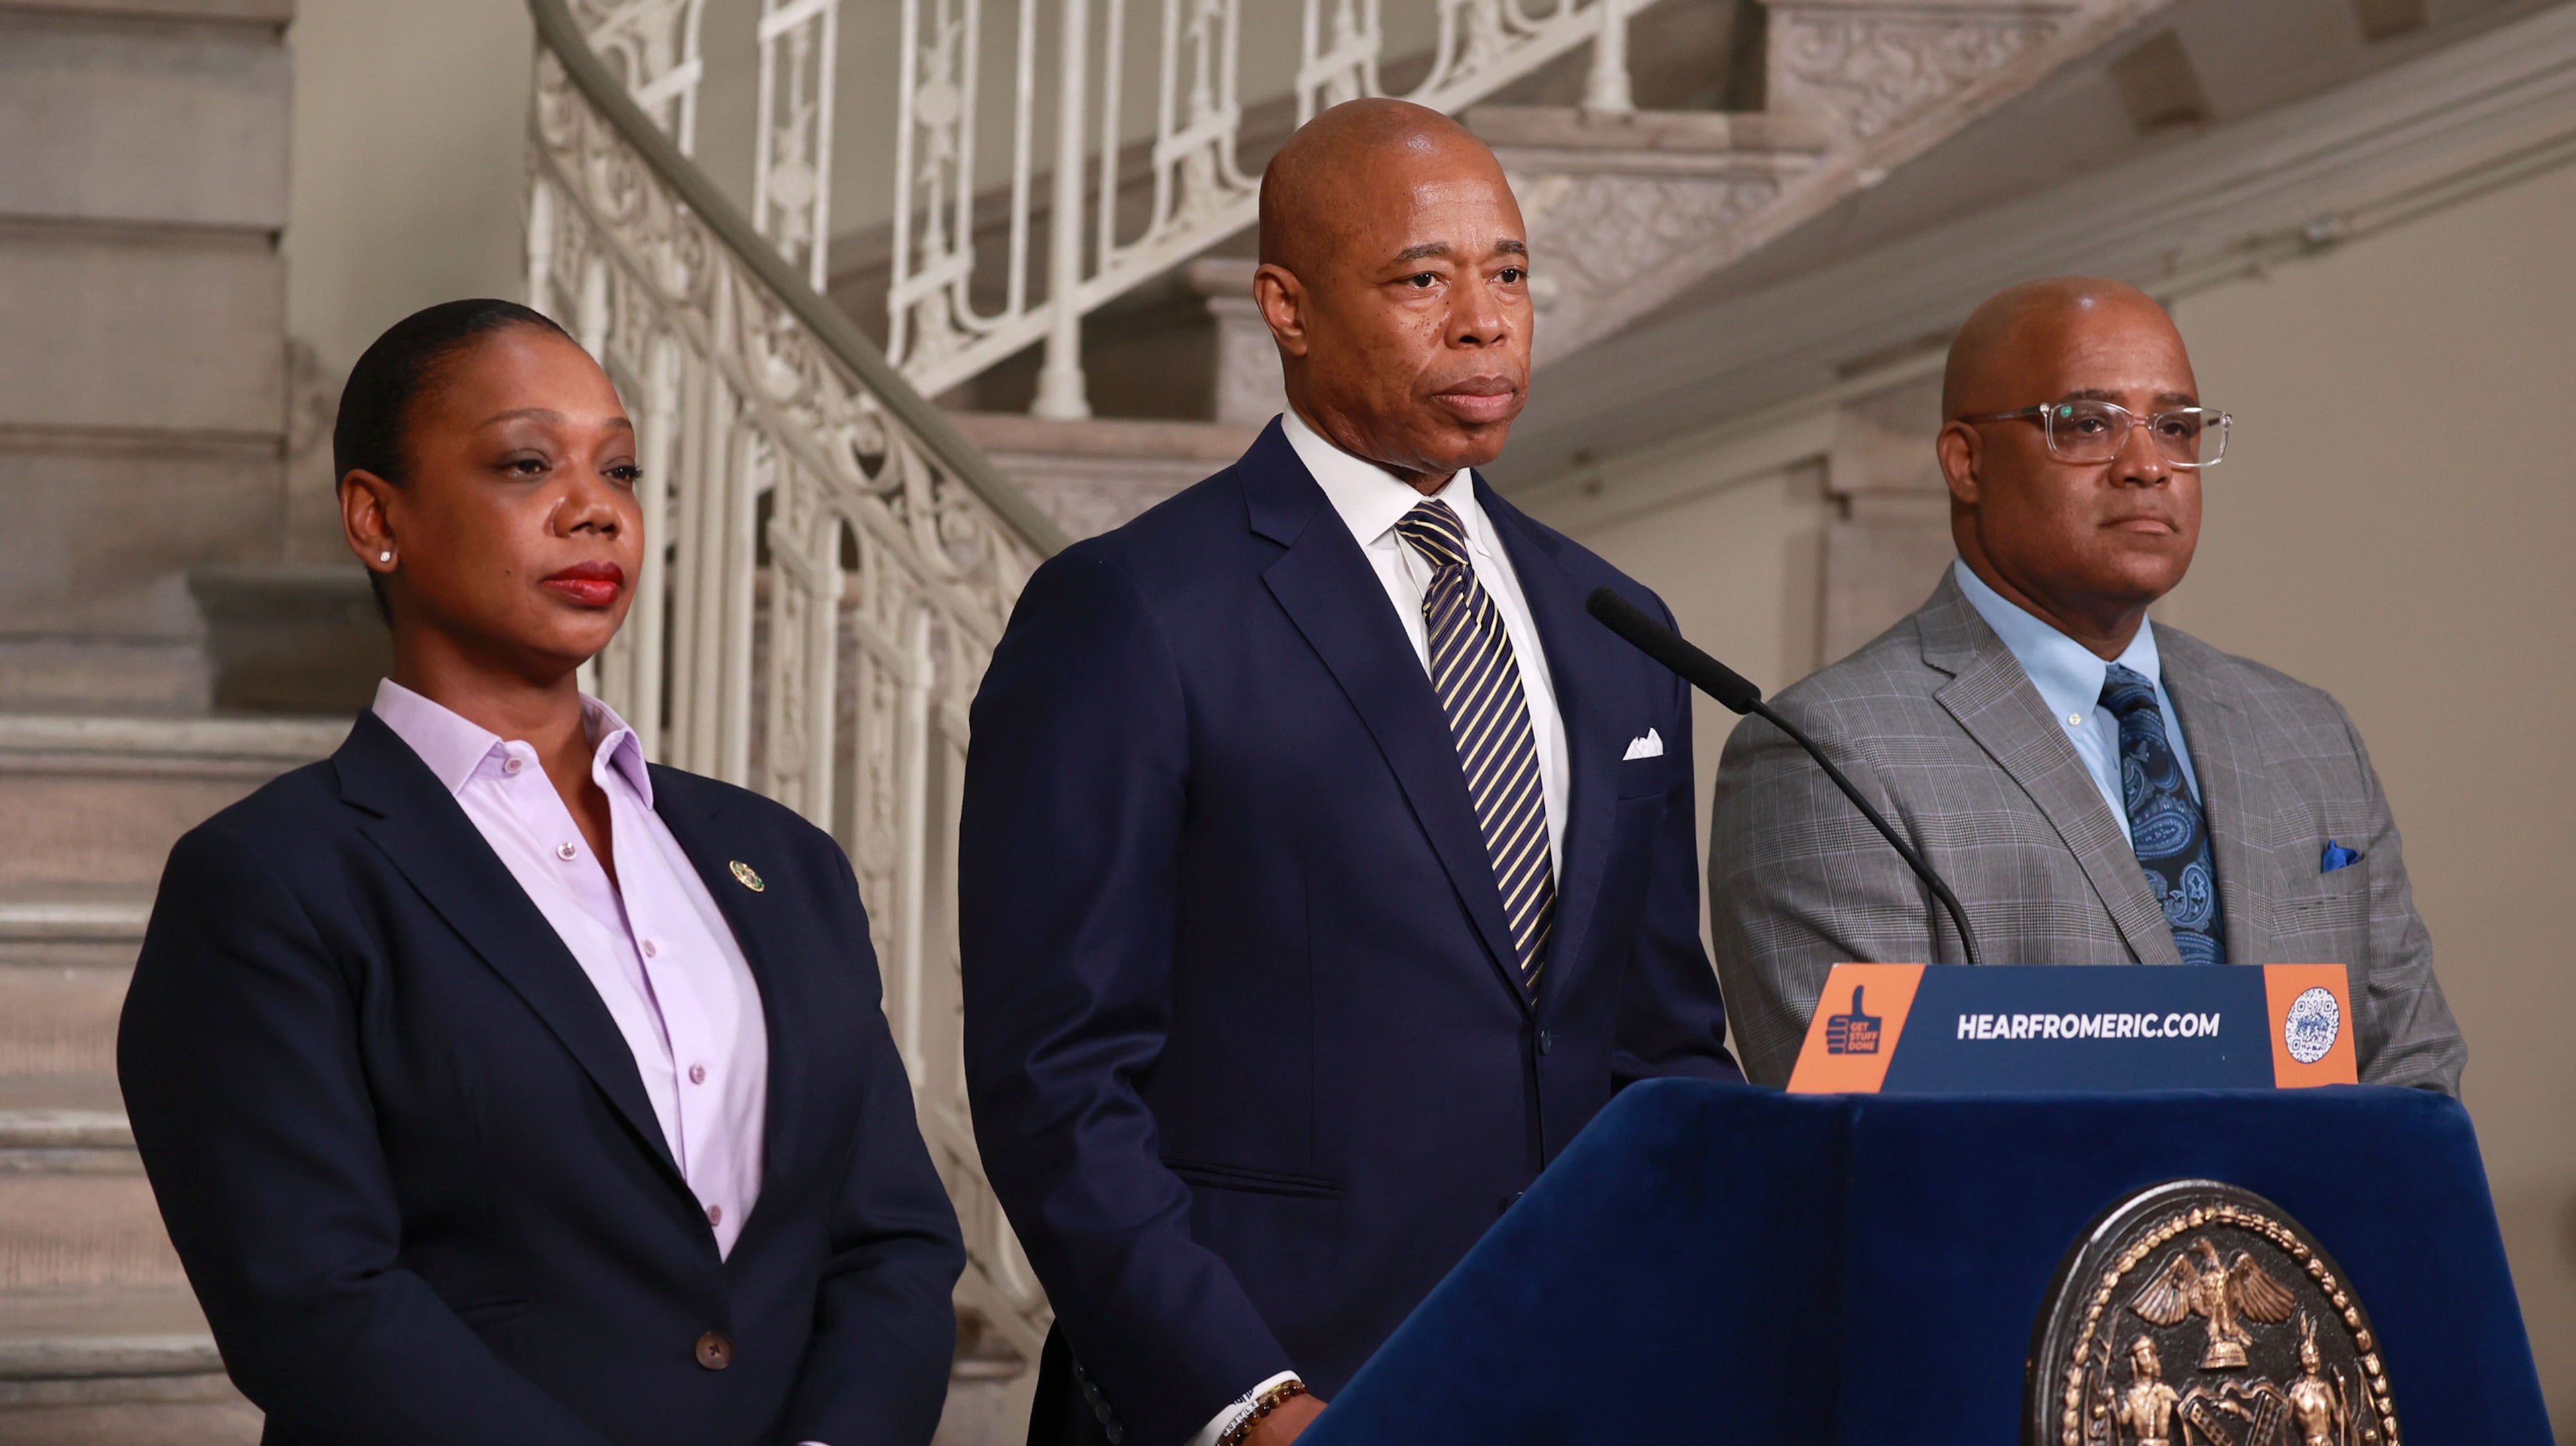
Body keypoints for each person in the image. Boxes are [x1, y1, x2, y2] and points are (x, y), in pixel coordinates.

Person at [958, 99, 1737, 1446]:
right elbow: (1057, 1077)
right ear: (1288, 307)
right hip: (1278, 1395)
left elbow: (1658, 1043)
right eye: (1422, 279)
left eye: (1508, 273)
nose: (1486, 320)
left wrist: (1724, 1296)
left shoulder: (1614, 618)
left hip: (1581, 1373)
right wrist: (1243, 1399)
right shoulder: (1130, 613)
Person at [117, 299, 965, 1445]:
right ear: (377, 518)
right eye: (527, 463)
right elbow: (313, 1302)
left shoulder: (781, 860)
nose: (595, 511)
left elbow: (891, 1238)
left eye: (619, 469)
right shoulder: (270, 882)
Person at [1705, 277, 2463, 1093]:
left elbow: (2413, 1075)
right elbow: (1871, 1137)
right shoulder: (1825, 755)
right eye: (2088, 424)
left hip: (2301, 1227)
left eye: (2175, 427)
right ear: (1967, 461)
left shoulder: (2308, 733)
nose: (2147, 466)